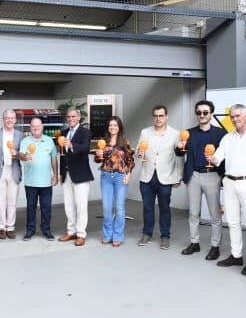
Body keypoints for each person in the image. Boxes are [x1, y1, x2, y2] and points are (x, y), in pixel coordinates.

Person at [212, 103, 246, 267]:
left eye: (237, 116)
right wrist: (212, 158)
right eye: (232, 117)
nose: (234, 119)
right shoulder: (227, 138)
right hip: (229, 183)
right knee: (233, 221)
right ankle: (236, 256)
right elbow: (217, 158)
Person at [176, 101, 226, 261]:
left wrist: (222, 176)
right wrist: (179, 147)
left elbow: (226, 157)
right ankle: (194, 242)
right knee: (193, 212)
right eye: (199, 112)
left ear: (211, 114)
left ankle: (215, 246)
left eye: (205, 112)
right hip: (194, 176)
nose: (202, 115)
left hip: (212, 175)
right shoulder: (189, 133)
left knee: (215, 214)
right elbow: (179, 153)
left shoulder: (221, 133)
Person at [136, 105, 183, 250]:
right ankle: (147, 234)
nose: (158, 118)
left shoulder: (175, 134)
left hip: (166, 177)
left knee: (165, 208)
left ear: (166, 117)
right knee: (147, 208)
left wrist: (178, 177)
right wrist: (139, 153)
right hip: (147, 176)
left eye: (161, 115)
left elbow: (179, 157)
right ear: (153, 117)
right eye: (155, 116)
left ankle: (165, 236)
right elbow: (139, 150)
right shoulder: (145, 132)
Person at [94, 116, 134, 247]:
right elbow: (97, 160)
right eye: (111, 125)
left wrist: (128, 175)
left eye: (115, 125)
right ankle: (107, 235)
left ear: (119, 127)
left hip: (120, 176)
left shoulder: (125, 142)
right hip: (106, 176)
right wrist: (98, 155)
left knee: (119, 207)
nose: (113, 127)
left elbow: (130, 161)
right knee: (106, 208)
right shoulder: (103, 142)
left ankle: (117, 236)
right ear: (108, 127)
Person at [59, 108, 94, 246]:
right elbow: (62, 155)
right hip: (67, 175)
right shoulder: (63, 133)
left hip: (81, 175)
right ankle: (71, 231)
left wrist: (71, 144)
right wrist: (61, 173)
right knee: (68, 206)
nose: (71, 119)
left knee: (81, 206)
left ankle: (81, 234)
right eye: (68, 117)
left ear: (79, 117)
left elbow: (85, 148)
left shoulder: (85, 132)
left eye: (73, 116)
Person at [0, 109, 22, 239]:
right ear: (3, 119)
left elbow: (22, 154)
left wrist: (17, 154)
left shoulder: (19, 135)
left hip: (14, 170)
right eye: (7, 118)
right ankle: (1, 227)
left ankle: (10, 227)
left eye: (12, 118)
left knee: (12, 202)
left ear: (15, 120)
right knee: (0, 202)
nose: (9, 120)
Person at [20, 117, 58, 241]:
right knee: (31, 207)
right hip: (30, 182)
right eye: (33, 126)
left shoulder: (49, 141)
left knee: (46, 208)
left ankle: (46, 230)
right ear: (30, 128)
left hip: (46, 182)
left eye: (38, 126)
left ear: (42, 127)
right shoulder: (25, 141)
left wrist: (56, 175)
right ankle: (30, 230)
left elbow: (53, 158)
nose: (35, 128)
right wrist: (26, 156)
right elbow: (21, 155)